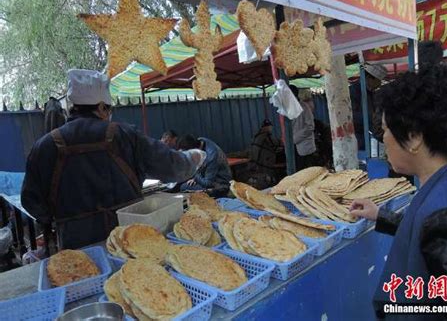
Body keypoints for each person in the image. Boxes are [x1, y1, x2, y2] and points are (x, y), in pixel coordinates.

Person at [21, 69, 205, 250]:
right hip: (128, 240)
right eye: (109, 109)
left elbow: (31, 202)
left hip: (76, 246)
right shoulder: (125, 135)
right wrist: (194, 157)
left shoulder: (44, 147)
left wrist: (63, 220)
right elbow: (173, 167)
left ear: (71, 108)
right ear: (102, 107)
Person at [349, 65, 447, 320]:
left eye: (386, 129)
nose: (384, 138)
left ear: (414, 136)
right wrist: (381, 215)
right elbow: (429, 231)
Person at [248, 119, 284, 188]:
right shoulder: (266, 136)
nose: (269, 128)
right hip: (264, 165)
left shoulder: (256, 136)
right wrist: (282, 141)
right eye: (269, 126)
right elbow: (276, 143)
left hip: (255, 164)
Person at [289, 85, 317, 170]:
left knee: (307, 173)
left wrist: (295, 138)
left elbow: (310, 126)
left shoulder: (304, 107)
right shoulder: (287, 108)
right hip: (293, 147)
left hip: (305, 147)